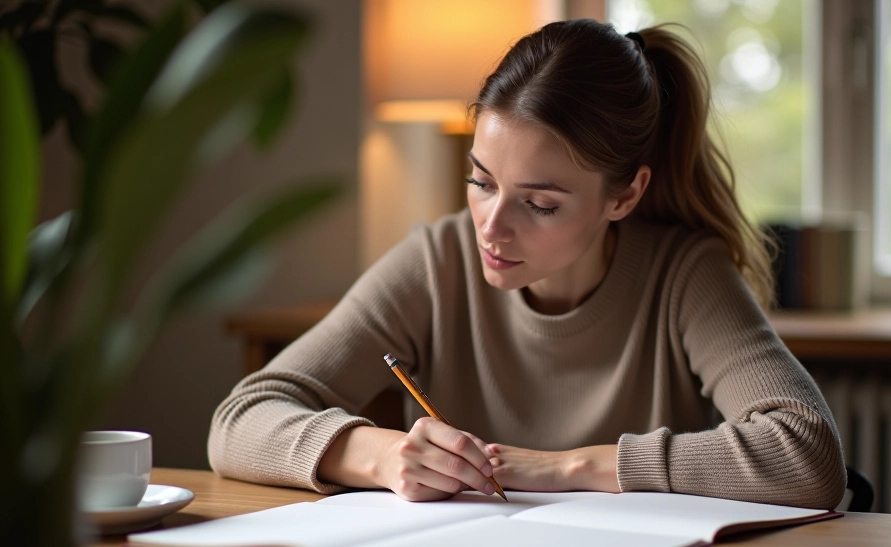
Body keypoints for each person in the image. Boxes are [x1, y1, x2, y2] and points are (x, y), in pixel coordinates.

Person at [208, 19, 847, 509]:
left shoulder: (684, 273)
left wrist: (567, 468)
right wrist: (379, 454)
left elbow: (808, 453)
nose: (491, 225)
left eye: (539, 204)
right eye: (481, 181)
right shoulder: (439, 259)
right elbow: (240, 419)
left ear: (624, 195)